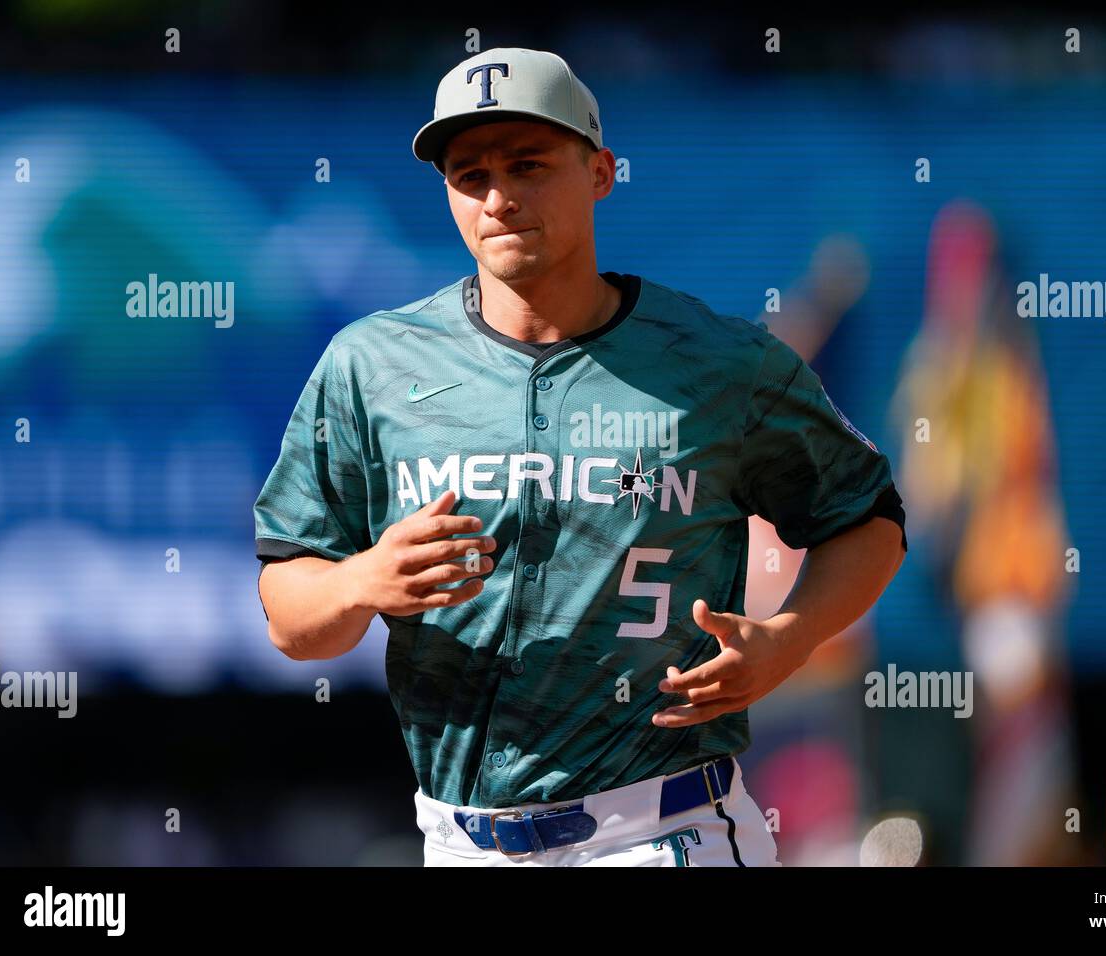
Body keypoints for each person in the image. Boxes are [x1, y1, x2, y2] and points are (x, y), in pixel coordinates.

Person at [253, 47, 907, 866]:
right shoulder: (372, 365)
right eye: (469, 174)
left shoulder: (719, 363)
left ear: (599, 172)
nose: (498, 198)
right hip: (458, 844)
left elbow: (868, 517)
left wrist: (791, 636)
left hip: (662, 829)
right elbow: (289, 615)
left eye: (528, 165)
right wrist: (359, 581)